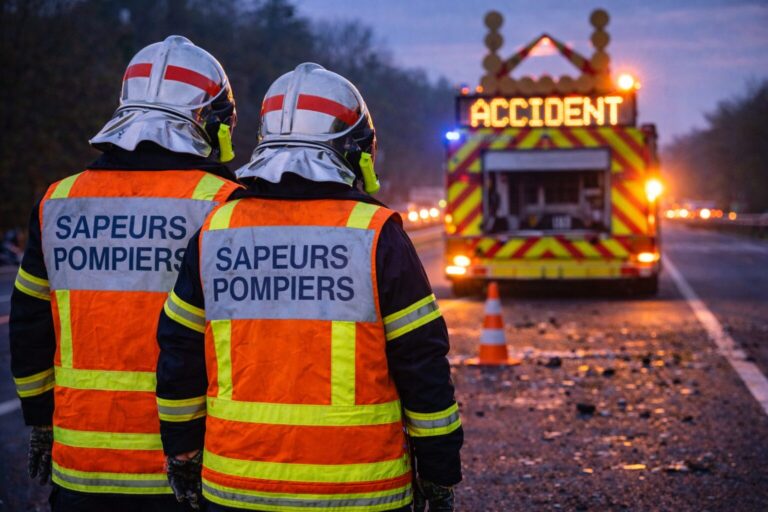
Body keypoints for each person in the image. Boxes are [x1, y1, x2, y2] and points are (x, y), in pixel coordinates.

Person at [155, 62, 463, 511]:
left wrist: (182, 450)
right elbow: (422, 363)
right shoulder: (376, 234)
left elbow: (179, 351)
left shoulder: (216, 230)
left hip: (237, 487)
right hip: (359, 492)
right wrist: (439, 474)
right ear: (356, 151)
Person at [9, 35, 241, 511]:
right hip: (190, 465)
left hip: (83, 465)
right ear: (211, 121)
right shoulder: (226, 207)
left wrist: (40, 421)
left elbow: (29, 327)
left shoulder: (58, 201)